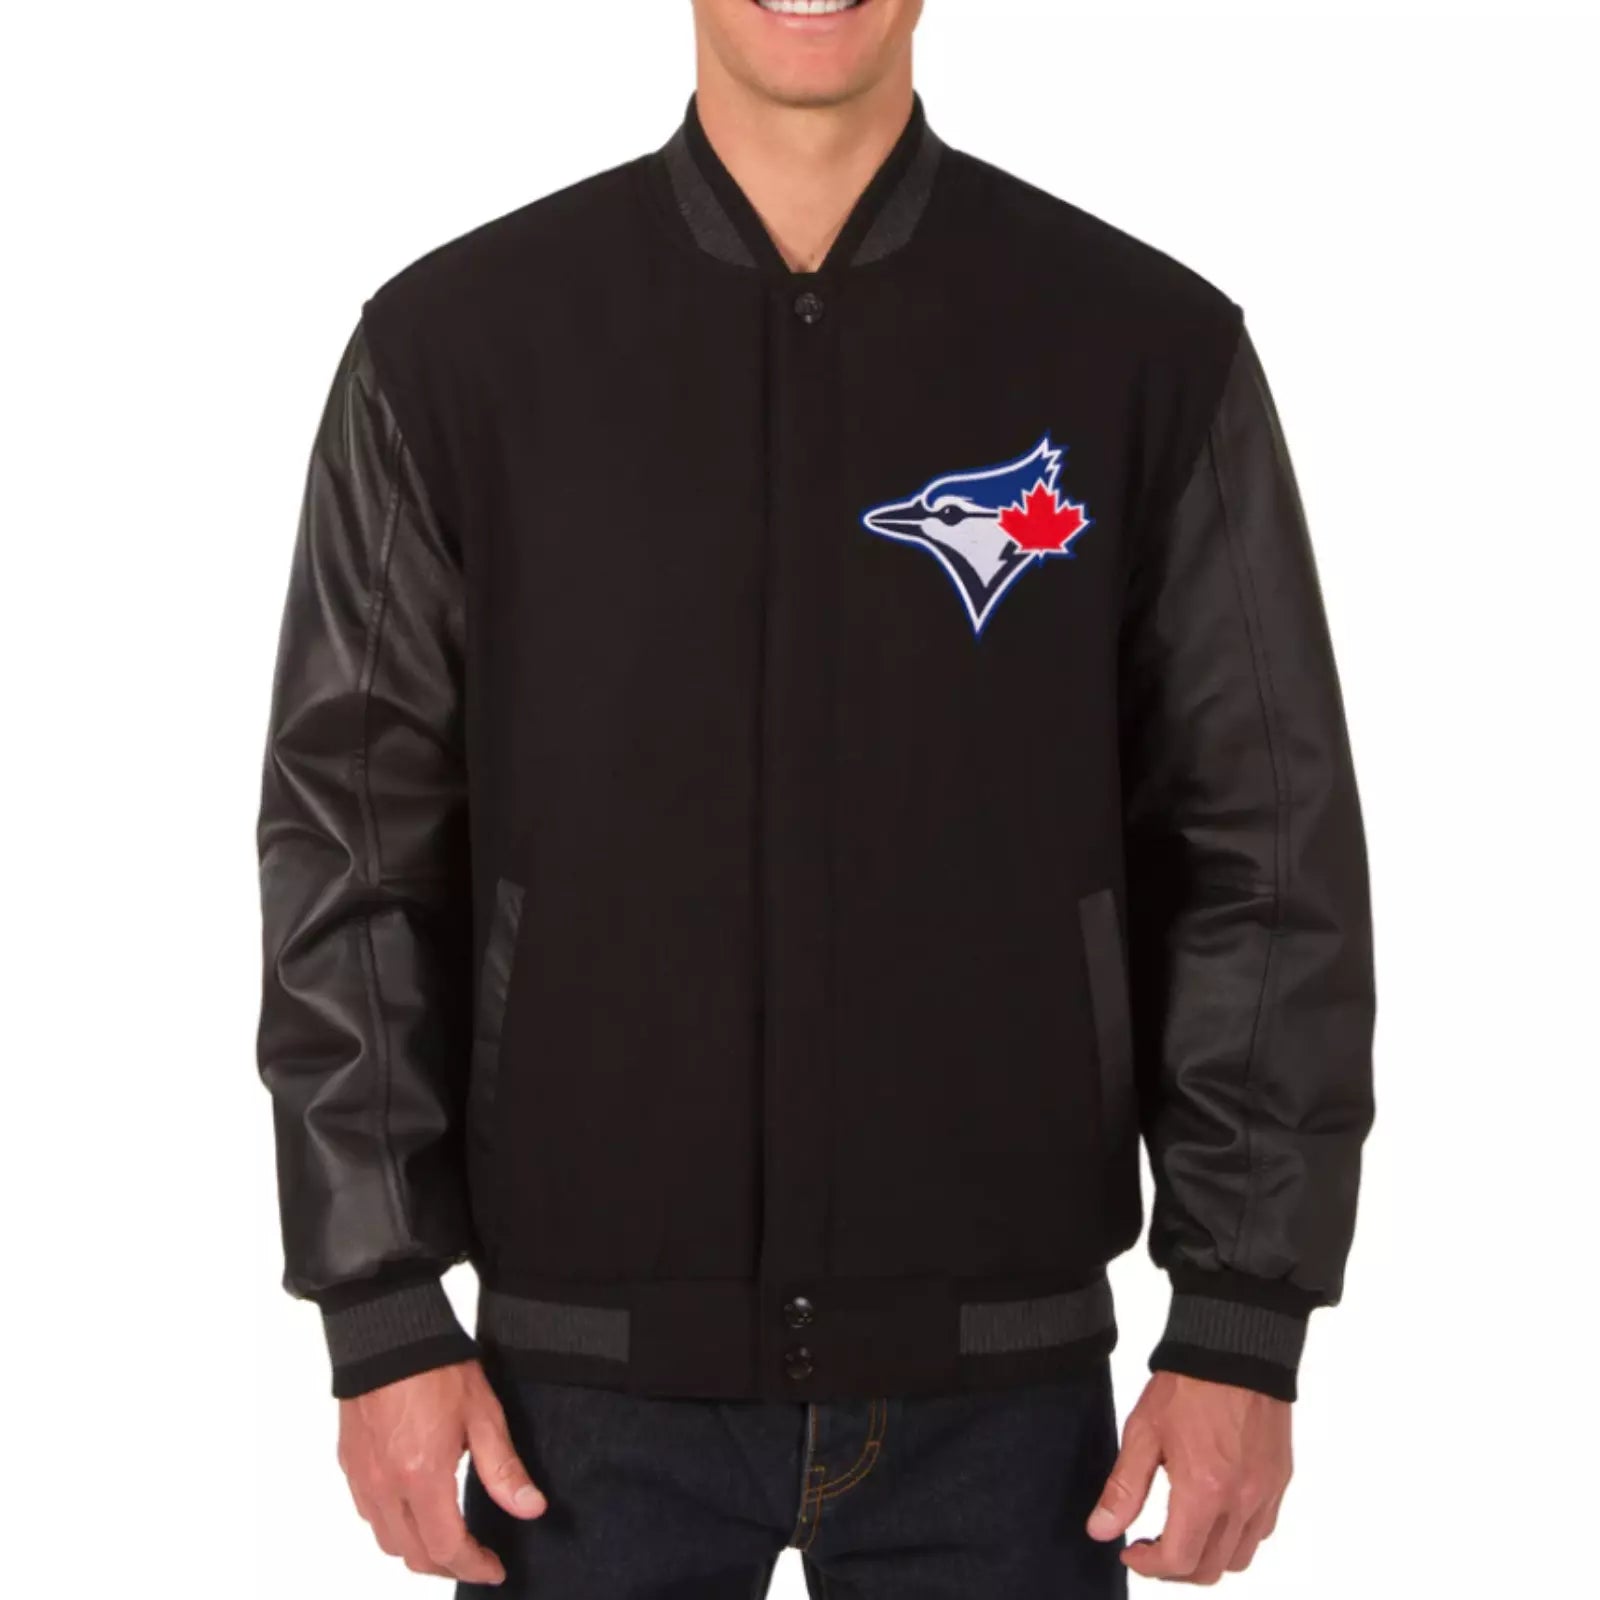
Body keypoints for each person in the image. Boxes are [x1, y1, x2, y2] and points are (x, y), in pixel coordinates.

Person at [256, 1, 1375, 1593]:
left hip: (1007, 1415)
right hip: (574, 1410)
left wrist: (1244, 1321)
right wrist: (377, 1309)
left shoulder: (1141, 348)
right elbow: (349, 850)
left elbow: (1262, 850)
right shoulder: (456, 355)